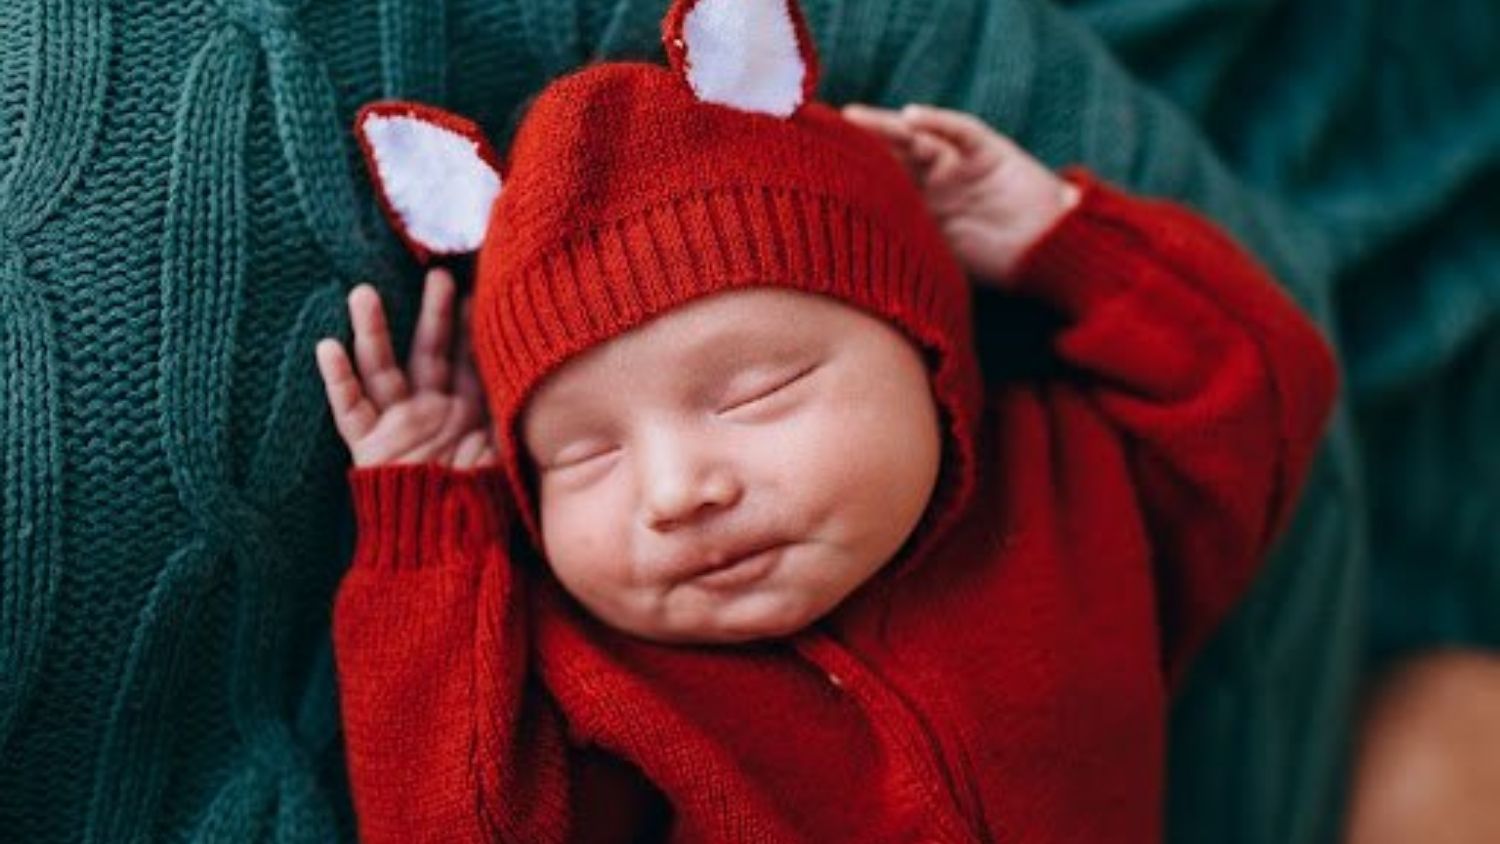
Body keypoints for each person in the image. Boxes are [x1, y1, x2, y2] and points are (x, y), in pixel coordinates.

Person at [315, 0, 1338, 839]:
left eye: (757, 394)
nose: (677, 492)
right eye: (583, 457)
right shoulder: (604, 677)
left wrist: (1050, 242)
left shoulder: (1073, 498)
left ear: (930, 349)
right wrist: (433, 541)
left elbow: (1260, 387)